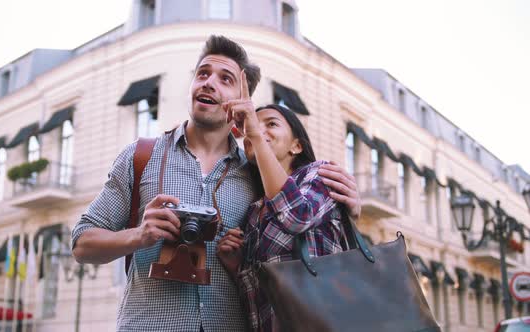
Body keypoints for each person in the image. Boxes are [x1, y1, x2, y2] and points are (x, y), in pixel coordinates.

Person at [71, 35, 360, 332]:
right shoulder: (141, 156)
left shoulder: (258, 175)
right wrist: (139, 235)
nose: (209, 83)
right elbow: (81, 243)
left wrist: (348, 210)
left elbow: (296, 226)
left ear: (242, 101)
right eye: (203, 74)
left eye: (225, 79)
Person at [217, 98, 355, 331]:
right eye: (253, 126)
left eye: (270, 124)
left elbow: (297, 217)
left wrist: (257, 136)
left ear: (296, 146)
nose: (257, 130)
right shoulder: (253, 211)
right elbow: (256, 298)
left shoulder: (319, 174)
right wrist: (236, 267)